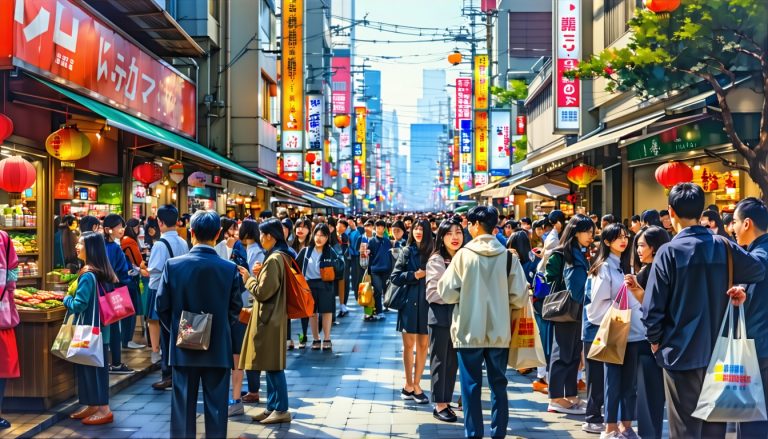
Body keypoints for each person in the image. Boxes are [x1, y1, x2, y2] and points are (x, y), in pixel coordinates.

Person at [643, 183, 765, 438]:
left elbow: (652, 310)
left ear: (671, 212)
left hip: (680, 354)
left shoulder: (668, 252)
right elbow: (758, 270)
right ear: (701, 212)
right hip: (719, 354)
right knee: (714, 431)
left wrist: (655, 343)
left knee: (684, 430)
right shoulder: (723, 245)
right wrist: (736, 285)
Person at [437, 206, 528, 438]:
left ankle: (474, 434)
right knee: (499, 385)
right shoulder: (508, 257)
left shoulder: (463, 256)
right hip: (500, 331)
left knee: (470, 386)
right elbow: (519, 297)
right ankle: (498, 433)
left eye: (469, 223)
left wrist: (467, 293)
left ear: (476, 225)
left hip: (468, 330)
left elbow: (446, 293)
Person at [156, 211, 243, 438]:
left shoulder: (173, 266)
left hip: (184, 345)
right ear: (218, 233)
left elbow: (162, 306)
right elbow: (235, 308)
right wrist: (217, 328)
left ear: (191, 232)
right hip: (217, 346)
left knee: (183, 408)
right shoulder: (229, 268)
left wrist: (181, 330)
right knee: (216, 408)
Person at [586, 224, 643, 438]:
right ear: (607, 241)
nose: (624, 240)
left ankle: (626, 426)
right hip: (616, 331)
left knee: (630, 383)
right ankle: (610, 427)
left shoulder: (626, 265)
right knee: (612, 382)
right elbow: (597, 306)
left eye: (625, 236)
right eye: (618, 237)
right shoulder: (604, 268)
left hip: (634, 331)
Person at [240, 218, 292, 425]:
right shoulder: (280, 256)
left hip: (270, 318)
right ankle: (272, 407)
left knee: (274, 366)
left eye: (262, 234)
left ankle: (281, 409)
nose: (260, 238)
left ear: (269, 236)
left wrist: (248, 279)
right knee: (270, 365)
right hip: (274, 316)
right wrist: (259, 274)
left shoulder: (274, 259)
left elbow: (262, 292)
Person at [64, 232, 117, 425]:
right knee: (89, 368)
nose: (76, 246)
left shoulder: (88, 275)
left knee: (94, 371)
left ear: (91, 248)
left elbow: (79, 304)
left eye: (80, 243)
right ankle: (92, 405)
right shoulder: (101, 271)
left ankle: (104, 410)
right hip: (100, 330)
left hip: (90, 330)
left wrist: (65, 299)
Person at [545, 214, 595, 415]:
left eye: (592, 232)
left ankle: (570, 395)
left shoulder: (577, 252)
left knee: (573, 353)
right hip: (566, 309)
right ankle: (556, 398)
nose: (591, 236)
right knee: (562, 353)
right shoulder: (565, 254)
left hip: (574, 310)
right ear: (575, 232)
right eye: (587, 232)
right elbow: (572, 287)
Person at [727, 198, 768, 438]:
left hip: (757, 350)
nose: (732, 228)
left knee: (752, 424)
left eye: (734, 222)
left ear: (747, 224)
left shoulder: (758, 257)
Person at [623, 226, 669, 439]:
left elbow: (652, 309)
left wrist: (654, 338)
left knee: (650, 396)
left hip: (650, 339)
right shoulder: (657, 270)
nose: (638, 250)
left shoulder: (652, 271)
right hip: (656, 338)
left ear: (654, 247)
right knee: (654, 396)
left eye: (642, 245)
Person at [146, 205, 190, 390]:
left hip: (163, 294)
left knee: (166, 335)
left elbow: (155, 273)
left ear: (160, 222)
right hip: (181, 293)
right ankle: (180, 373)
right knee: (179, 334)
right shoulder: (183, 242)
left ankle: (167, 375)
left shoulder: (159, 245)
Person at [425, 218, 464, 423]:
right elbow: (433, 293)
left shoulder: (464, 256)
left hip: (459, 316)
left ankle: (446, 401)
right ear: (441, 237)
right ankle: (439, 404)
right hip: (440, 316)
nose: (455, 237)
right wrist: (462, 294)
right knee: (440, 361)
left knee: (453, 362)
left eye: (458, 232)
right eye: (449, 233)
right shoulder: (437, 259)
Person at [391, 219, 433, 405]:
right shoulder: (406, 251)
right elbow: (395, 277)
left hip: (428, 303)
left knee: (423, 345)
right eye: (415, 228)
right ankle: (409, 384)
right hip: (408, 303)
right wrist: (414, 275)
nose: (418, 231)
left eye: (421, 229)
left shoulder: (434, 253)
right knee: (408, 346)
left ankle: (416, 384)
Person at [296, 223, 344, 351]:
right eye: (316, 234)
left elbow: (340, 266)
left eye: (322, 235)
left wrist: (333, 268)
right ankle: (316, 338)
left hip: (325, 284)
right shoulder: (306, 251)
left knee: (327, 311)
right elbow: (294, 266)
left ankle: (327, 338)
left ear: (327, 237)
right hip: (309, 285)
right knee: (312, 313)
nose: (319, 238)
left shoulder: (330, 251)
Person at [102, 214, 134, 374]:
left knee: (102, 328)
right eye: (119, 227)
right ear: (108, 229)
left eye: (122, 226)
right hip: (113, 292)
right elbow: (123, 273)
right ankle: (115, 363)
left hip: (100, 291)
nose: (122, 230)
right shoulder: (115, 248)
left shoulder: (100, 246)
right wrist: (128, 279)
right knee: (114, 327)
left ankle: (103, 362)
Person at [238, 219, 265, 404]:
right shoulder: (251, 250)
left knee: (249, 347)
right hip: (248, 302)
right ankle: (252, 388)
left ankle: (253, 389)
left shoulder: (255, 252)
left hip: (248, 302)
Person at [0, 230, 19, 430]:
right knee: (1, 367)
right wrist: (10, 293)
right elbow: (13, 271)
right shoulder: (4, 238)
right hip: (2, 315)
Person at [120, 218, 146, 350]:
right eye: (138, 227)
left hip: (124, 279)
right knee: (130, 311)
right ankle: (127, 340)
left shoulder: (121, 240)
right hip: (130, 279)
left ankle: (124, 340)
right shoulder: (129, 241)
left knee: (125, 311)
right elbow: (139, 260)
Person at [290, 217, 312, 347]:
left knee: (306, 311)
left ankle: (303, 336)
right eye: (298, 226)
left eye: (304, 227)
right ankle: (291, 338)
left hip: (308, 283)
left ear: (309, 230)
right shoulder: (290, 246)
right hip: (293, 283)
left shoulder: (312, 246)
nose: (300, 229)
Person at [368, 219, 393, 320]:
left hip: (386, 269)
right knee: (378, 290)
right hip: (375, 270)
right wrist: (369, 270)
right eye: (378, 227)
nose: (379, 229)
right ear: (375, 228)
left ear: (384, 229)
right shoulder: (371, 241)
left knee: (385, 289)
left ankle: (384, 306)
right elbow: (369, 256)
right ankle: (379, 311)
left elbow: (390, 256)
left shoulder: (388, 241)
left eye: (381, 227)